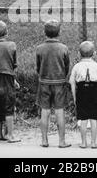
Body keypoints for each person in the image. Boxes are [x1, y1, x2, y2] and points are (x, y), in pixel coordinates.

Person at [36, 19, 71, 148]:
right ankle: (62, 141)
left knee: (44, 112)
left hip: (44, 82)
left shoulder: (39, 48)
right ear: (59, 32)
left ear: (45, 33)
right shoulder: (63, 48)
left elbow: (38, 66)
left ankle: (44, 140)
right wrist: (63, 76)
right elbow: (67, 66)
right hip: (59, 83)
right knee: (59, 111)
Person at [69, 41, 97, 149]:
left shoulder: (76, 66)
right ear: (94, 53)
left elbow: (72, 82)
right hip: (94, 92)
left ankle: (83, 142)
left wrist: (75, 97)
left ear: (78, 54)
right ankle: (94, 143)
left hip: (81, 92)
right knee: (94, 119)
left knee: (83, 119)